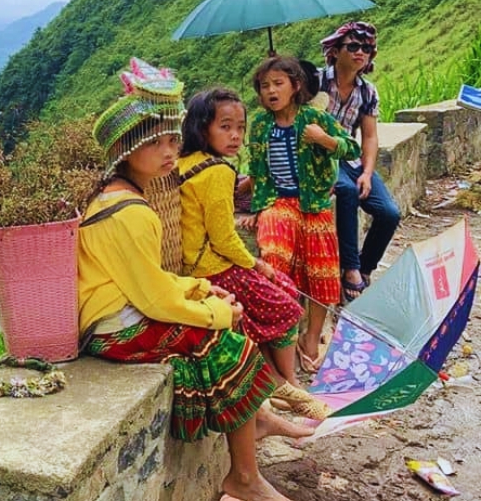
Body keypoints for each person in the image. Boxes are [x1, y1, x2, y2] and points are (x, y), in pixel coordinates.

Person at [78, 75, 309, 501]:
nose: (169, 152)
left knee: (226, 330)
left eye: (171, 140)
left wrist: (200, 289)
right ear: (126, 152)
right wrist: (218, 312)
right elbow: (153, 298)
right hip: (113, 327)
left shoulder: (123, 198)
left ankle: (253, 431)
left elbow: (150, 279)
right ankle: (245, 478)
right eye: (154, 144)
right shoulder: (129, 212)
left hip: (123, 309)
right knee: (227, 342)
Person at [178, 87, 328, 420]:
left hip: (195, 266)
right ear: (201, 127)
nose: (235, 136)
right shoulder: (218, 171)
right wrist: (259, 265)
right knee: (287, 305)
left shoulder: (186, 163)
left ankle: (281, 386)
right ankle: (287, 385)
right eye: (225, 126)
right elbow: (223, 237)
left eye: (240, 127)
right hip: (214, 268)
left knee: (271, 303)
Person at [241, 56, 361, 373]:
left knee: (321, 267)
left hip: (314, 204)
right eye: (264, 85)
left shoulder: (314, 118)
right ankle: (284, 334)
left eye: (278, 83)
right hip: (279, 202)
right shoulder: (261, 125)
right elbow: (257, 169)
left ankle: (311, 337)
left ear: (296, 86)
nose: (270, 91)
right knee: (275, 257)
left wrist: (323, 139)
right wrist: (258, 206)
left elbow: (352, 148)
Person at [318, 21, 401, 302]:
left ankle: (365, 267)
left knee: (389, 212)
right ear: (335, 50)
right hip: (320, 157)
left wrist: (367, 172)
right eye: (352, 46)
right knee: (346, 191)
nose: (360, 53)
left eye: (366, 48)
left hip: (349, 157)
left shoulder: (367, 92)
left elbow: (369, 137)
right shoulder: (314, 82)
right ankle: (350, 269)